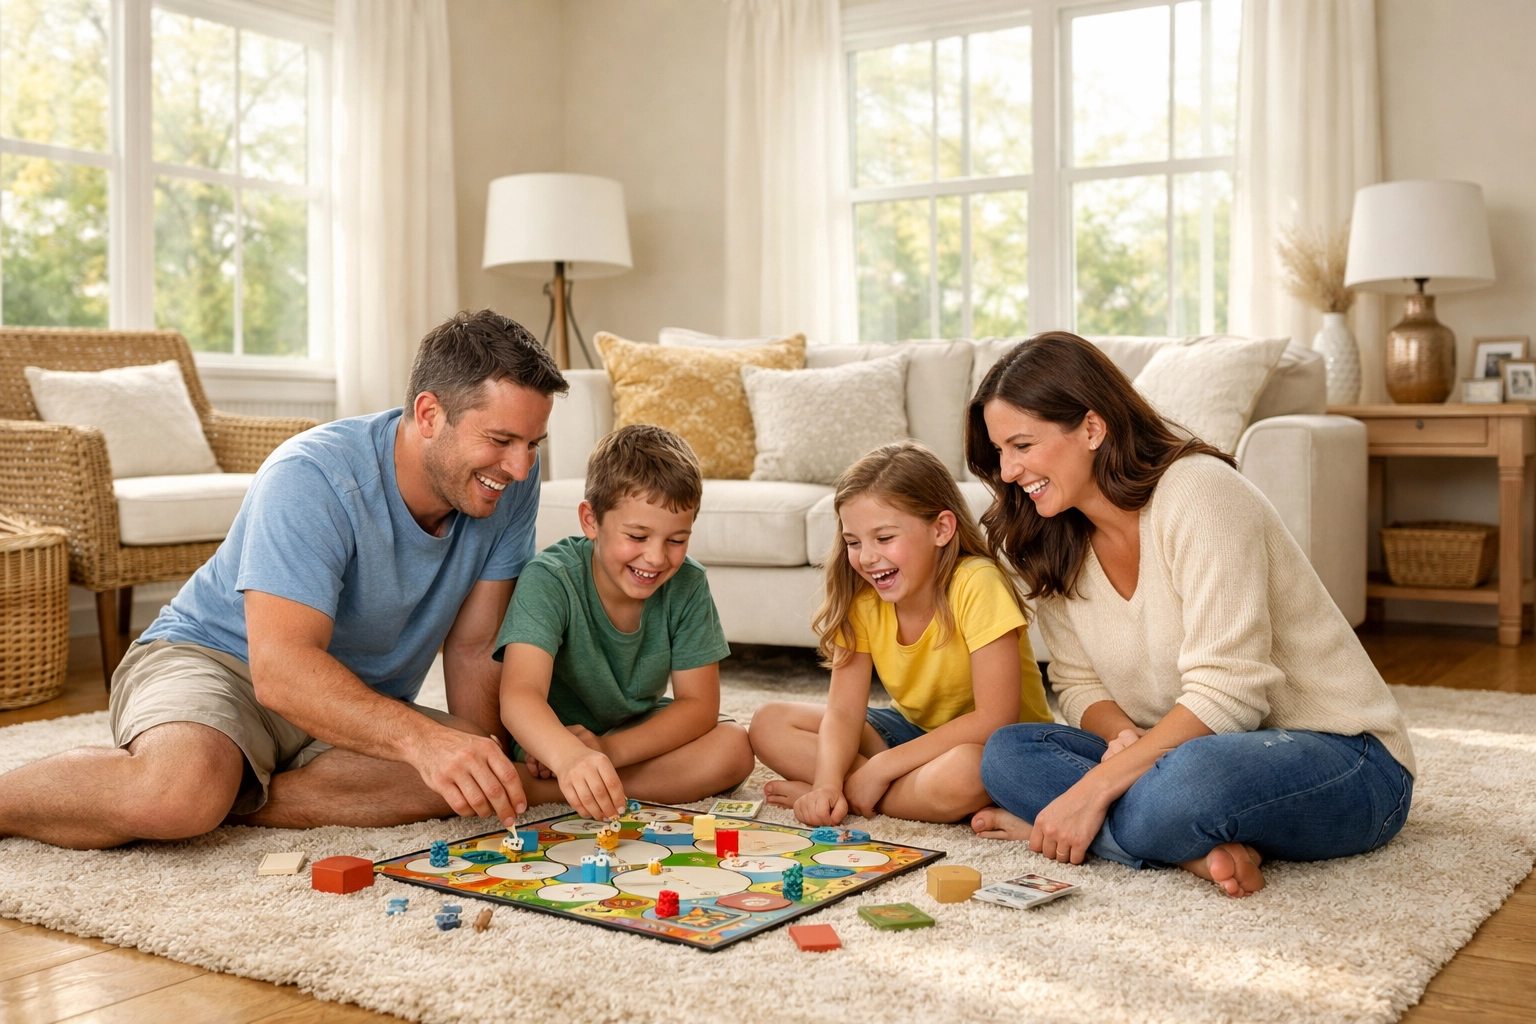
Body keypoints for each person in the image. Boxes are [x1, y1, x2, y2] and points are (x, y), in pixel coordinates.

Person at [0, 310, 565, 848]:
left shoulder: (508, 487)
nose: (520, 468)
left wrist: (487, 762)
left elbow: (474, 647)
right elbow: (281, 670)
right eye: (500, 441)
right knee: (176, 793)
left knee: (466, 770)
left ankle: (238, 793)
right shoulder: (313, 474)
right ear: (429, 414)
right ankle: (196, 789)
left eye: (531, 444)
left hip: (353, 702)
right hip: (223, 663)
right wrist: (423, 741)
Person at [966, 332, 1416, 897]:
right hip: (1176, 752)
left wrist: (1095, 787)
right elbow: (1078, 685)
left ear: (1092, 428)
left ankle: (1097, 830)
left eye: (1022, 445)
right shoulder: (1051, 537)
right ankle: (1187, 850)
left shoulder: (1199, 491)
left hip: (1346, 757)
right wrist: (1124, 742)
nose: (1008, 470)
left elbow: (1230, 694)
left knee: (1192, 782)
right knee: (1008, 754)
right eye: (1000, 451)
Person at [749, 441, 1052, 826]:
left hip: (996, 746)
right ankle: (868, 792)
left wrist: (881, 768)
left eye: (884, 538)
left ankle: (865, 792)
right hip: (911, 734)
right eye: (853, 542)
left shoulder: (977, 583)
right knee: (768, 723)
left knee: (967, 773)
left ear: (941, 529)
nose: (866, 557)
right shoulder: (863, 598)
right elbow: (843, 712)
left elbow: (995, 718)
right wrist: (825, 783)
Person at [496, 424, 754, 821]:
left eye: (676, 540)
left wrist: (606, 751)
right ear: (591, 521)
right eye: (637, 536)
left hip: (633, 737)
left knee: (734, 747)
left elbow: (700, 706)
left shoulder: (688, 583)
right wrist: (570, 755)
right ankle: (576, 780)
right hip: (554, 744)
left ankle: (556, 792)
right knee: (543, 746)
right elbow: (519, 695)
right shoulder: (550, 578)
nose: (656, 558)